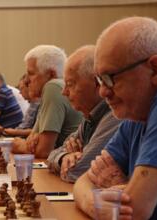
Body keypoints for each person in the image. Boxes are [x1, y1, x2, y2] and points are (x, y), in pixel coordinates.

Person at [73, 17, 157, 220]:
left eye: (110, 78)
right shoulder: (136, 116)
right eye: (99, 80)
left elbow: (134, 212)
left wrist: (116, 188)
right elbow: (82, 182)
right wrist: (93, 203)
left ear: (156, 69)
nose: (103, 92)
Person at [47, 45, 120, 183]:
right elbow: (52, 154)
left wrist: (75, 160)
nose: (64, 92)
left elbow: (77, 171)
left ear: (97, 82)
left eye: (70, 84)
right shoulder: (90, 115)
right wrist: (65, 156)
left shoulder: (114, 115)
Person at [12, 45, 82, 159]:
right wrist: (30, 142)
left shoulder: (53, 87)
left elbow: (42, 151)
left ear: (51, 74)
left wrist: (19, 145)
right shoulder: (52, 89)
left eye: (31, 73)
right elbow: (32, 139)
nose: (26, 80)